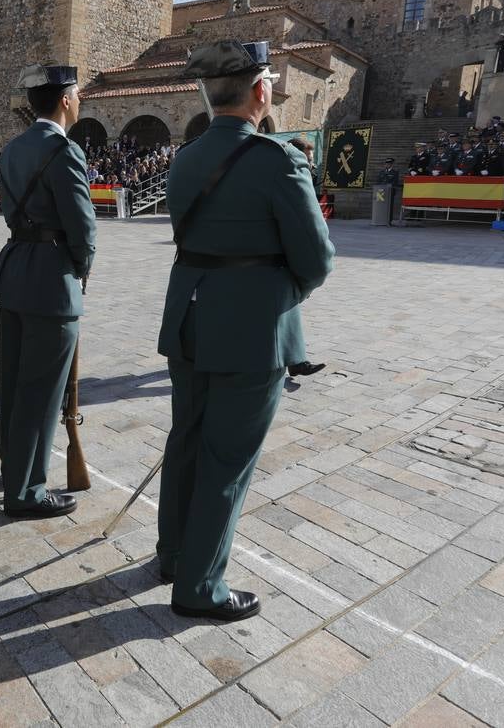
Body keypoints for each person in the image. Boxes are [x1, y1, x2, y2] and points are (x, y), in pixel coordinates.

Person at [157, 39, 334, 622]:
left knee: (187, 440)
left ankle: (173, 553)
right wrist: (281, 294)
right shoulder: (277, 159)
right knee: (227, 459)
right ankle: (200, 586)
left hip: (188, 314)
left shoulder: (183, 158)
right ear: (261, 90)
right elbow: (316, 259)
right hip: (251, 327)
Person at [0, 63, 96, 520]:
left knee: (13, 382)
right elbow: (82, 228)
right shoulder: (64, 151)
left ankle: (13, 463)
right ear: (66, 100)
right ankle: (26, 489)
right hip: (51, 277)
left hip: (15, 271)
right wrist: (80, 268)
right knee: (43, 391)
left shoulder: (12, 149)